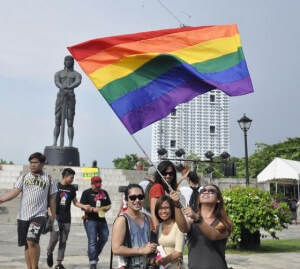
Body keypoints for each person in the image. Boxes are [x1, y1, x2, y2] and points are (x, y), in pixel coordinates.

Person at [0, 152, 57, 269]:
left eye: (35, 162)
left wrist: (53, 215)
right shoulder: (24, 177)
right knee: (27, 243)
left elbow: (52, 198)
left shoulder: (49, 179)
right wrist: (1, 200)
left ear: (42, 164)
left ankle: (35, 267)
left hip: (39, 214)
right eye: (31, 162)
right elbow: (15, 191)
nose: (32, 165)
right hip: (23, 215)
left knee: (32, 240)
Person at [170, 184, 232, 269]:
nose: (206, 192)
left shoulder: (224, 221)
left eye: (211, 191)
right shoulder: (191, 219)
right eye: (203, 190)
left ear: (218, 199)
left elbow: (213, 235)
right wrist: (176, 205)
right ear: (199, 198)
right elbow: (183, 228)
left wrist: (197, 218)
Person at [46, 168, 91, 269]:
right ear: (65, 176)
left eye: (73, 177)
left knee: (63, 240)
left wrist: (83, 206)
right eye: (71, 177)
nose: (72, 179)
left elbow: (75, 202)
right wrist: (51, 215)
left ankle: (59, 263)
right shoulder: (55, 186)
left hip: (66, 219)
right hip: (55, 218)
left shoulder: (72, 189)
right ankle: (49, 252)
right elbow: (49, 202)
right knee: (54, 239)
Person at [112, 184, 157, 268]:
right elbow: (116, 249)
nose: (137, 200)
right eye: (133, 197)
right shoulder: (122, 220)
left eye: (140, 197)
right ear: (126, 199)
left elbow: (152, 242)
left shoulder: (148, 218)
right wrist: (141, 251)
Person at [80, 176, 111, 269]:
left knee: (104, 237)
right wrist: (91, 209)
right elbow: (82, 207)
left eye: (99, 185)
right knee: (92, 241)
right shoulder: (86, 193)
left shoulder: (104, 193)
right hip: (90, 219)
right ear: (92, 184)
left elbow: (109, 205)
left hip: (102, 219)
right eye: (96, 185)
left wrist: (104, 209)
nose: (98, 187)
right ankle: (93, 262)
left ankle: (92, 253)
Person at [53, 55, 82, 147]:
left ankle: (70, 143)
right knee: (58, 120)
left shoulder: (76, 74)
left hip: (70, 97)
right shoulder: (58, 73)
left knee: (70, 121)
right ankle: (55, 142)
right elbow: (57, 82)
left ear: (73, 62)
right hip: (60, 96)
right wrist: (62, 87)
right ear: (64, 62)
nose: (68, 62)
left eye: (70, 60)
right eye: (66, 60)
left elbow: (77, 82)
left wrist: (69, 87)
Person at [154, 195, 184, 269]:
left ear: (172, 209)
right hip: (161, 266)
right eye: (160, 208)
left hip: (175, 266)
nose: (163, 211)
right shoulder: (158, 227)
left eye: (166, 208)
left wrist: (161, 261)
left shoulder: (178, 226)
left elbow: (179, 253)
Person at [149, 161, 177, 228]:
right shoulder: (158, 187)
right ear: (159, 174)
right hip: (161, 229)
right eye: (164, 173)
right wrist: (157, 230)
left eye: (171, 173)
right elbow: (154, 211)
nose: (168, 176)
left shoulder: (166, 188)